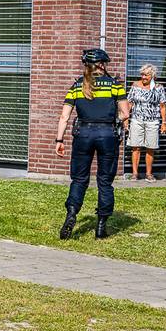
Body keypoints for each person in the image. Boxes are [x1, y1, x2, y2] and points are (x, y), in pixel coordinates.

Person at [54, 48, 130, 239]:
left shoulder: (76, 86)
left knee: (79, 179)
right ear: (102, 65)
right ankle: (101, 226)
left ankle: (71, 213)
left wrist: (59, 140)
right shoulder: (115, 85)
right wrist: (117, 118)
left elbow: (64, 116)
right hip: (107, 135)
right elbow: (125, 113)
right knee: (104, 181)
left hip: (83, 134)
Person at [125, 63, 166, 182]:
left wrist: (164, 122)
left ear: (152, 75)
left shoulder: (159, 88)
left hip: (153, 121)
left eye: (146, 75)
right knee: (135, 147)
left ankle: (149, 174)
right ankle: (134, 174)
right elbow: (130, 103)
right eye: (142, 74)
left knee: (150, 148)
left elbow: (162, 106)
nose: (143, 77)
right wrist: (126, 119)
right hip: (136, 120)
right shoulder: (135, 85)